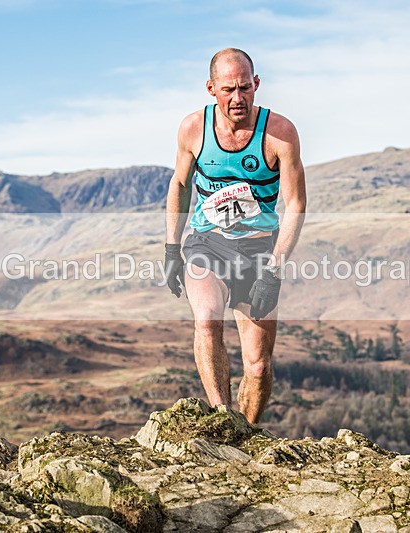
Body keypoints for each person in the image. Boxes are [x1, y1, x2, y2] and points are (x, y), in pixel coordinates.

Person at [164, 48, 306, 424]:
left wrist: (274, 271)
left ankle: (248, 431)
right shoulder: (193, 128)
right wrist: (171, 248)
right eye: (228, 89)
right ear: (211, 88)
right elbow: (180, 184)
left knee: (258, 366)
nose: (238, 98)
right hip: (207, 244)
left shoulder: (280, 134)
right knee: (208, 320)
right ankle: (222, 420)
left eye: (245, 87)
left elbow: (295, 204)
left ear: (256, 84)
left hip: (260, 250)